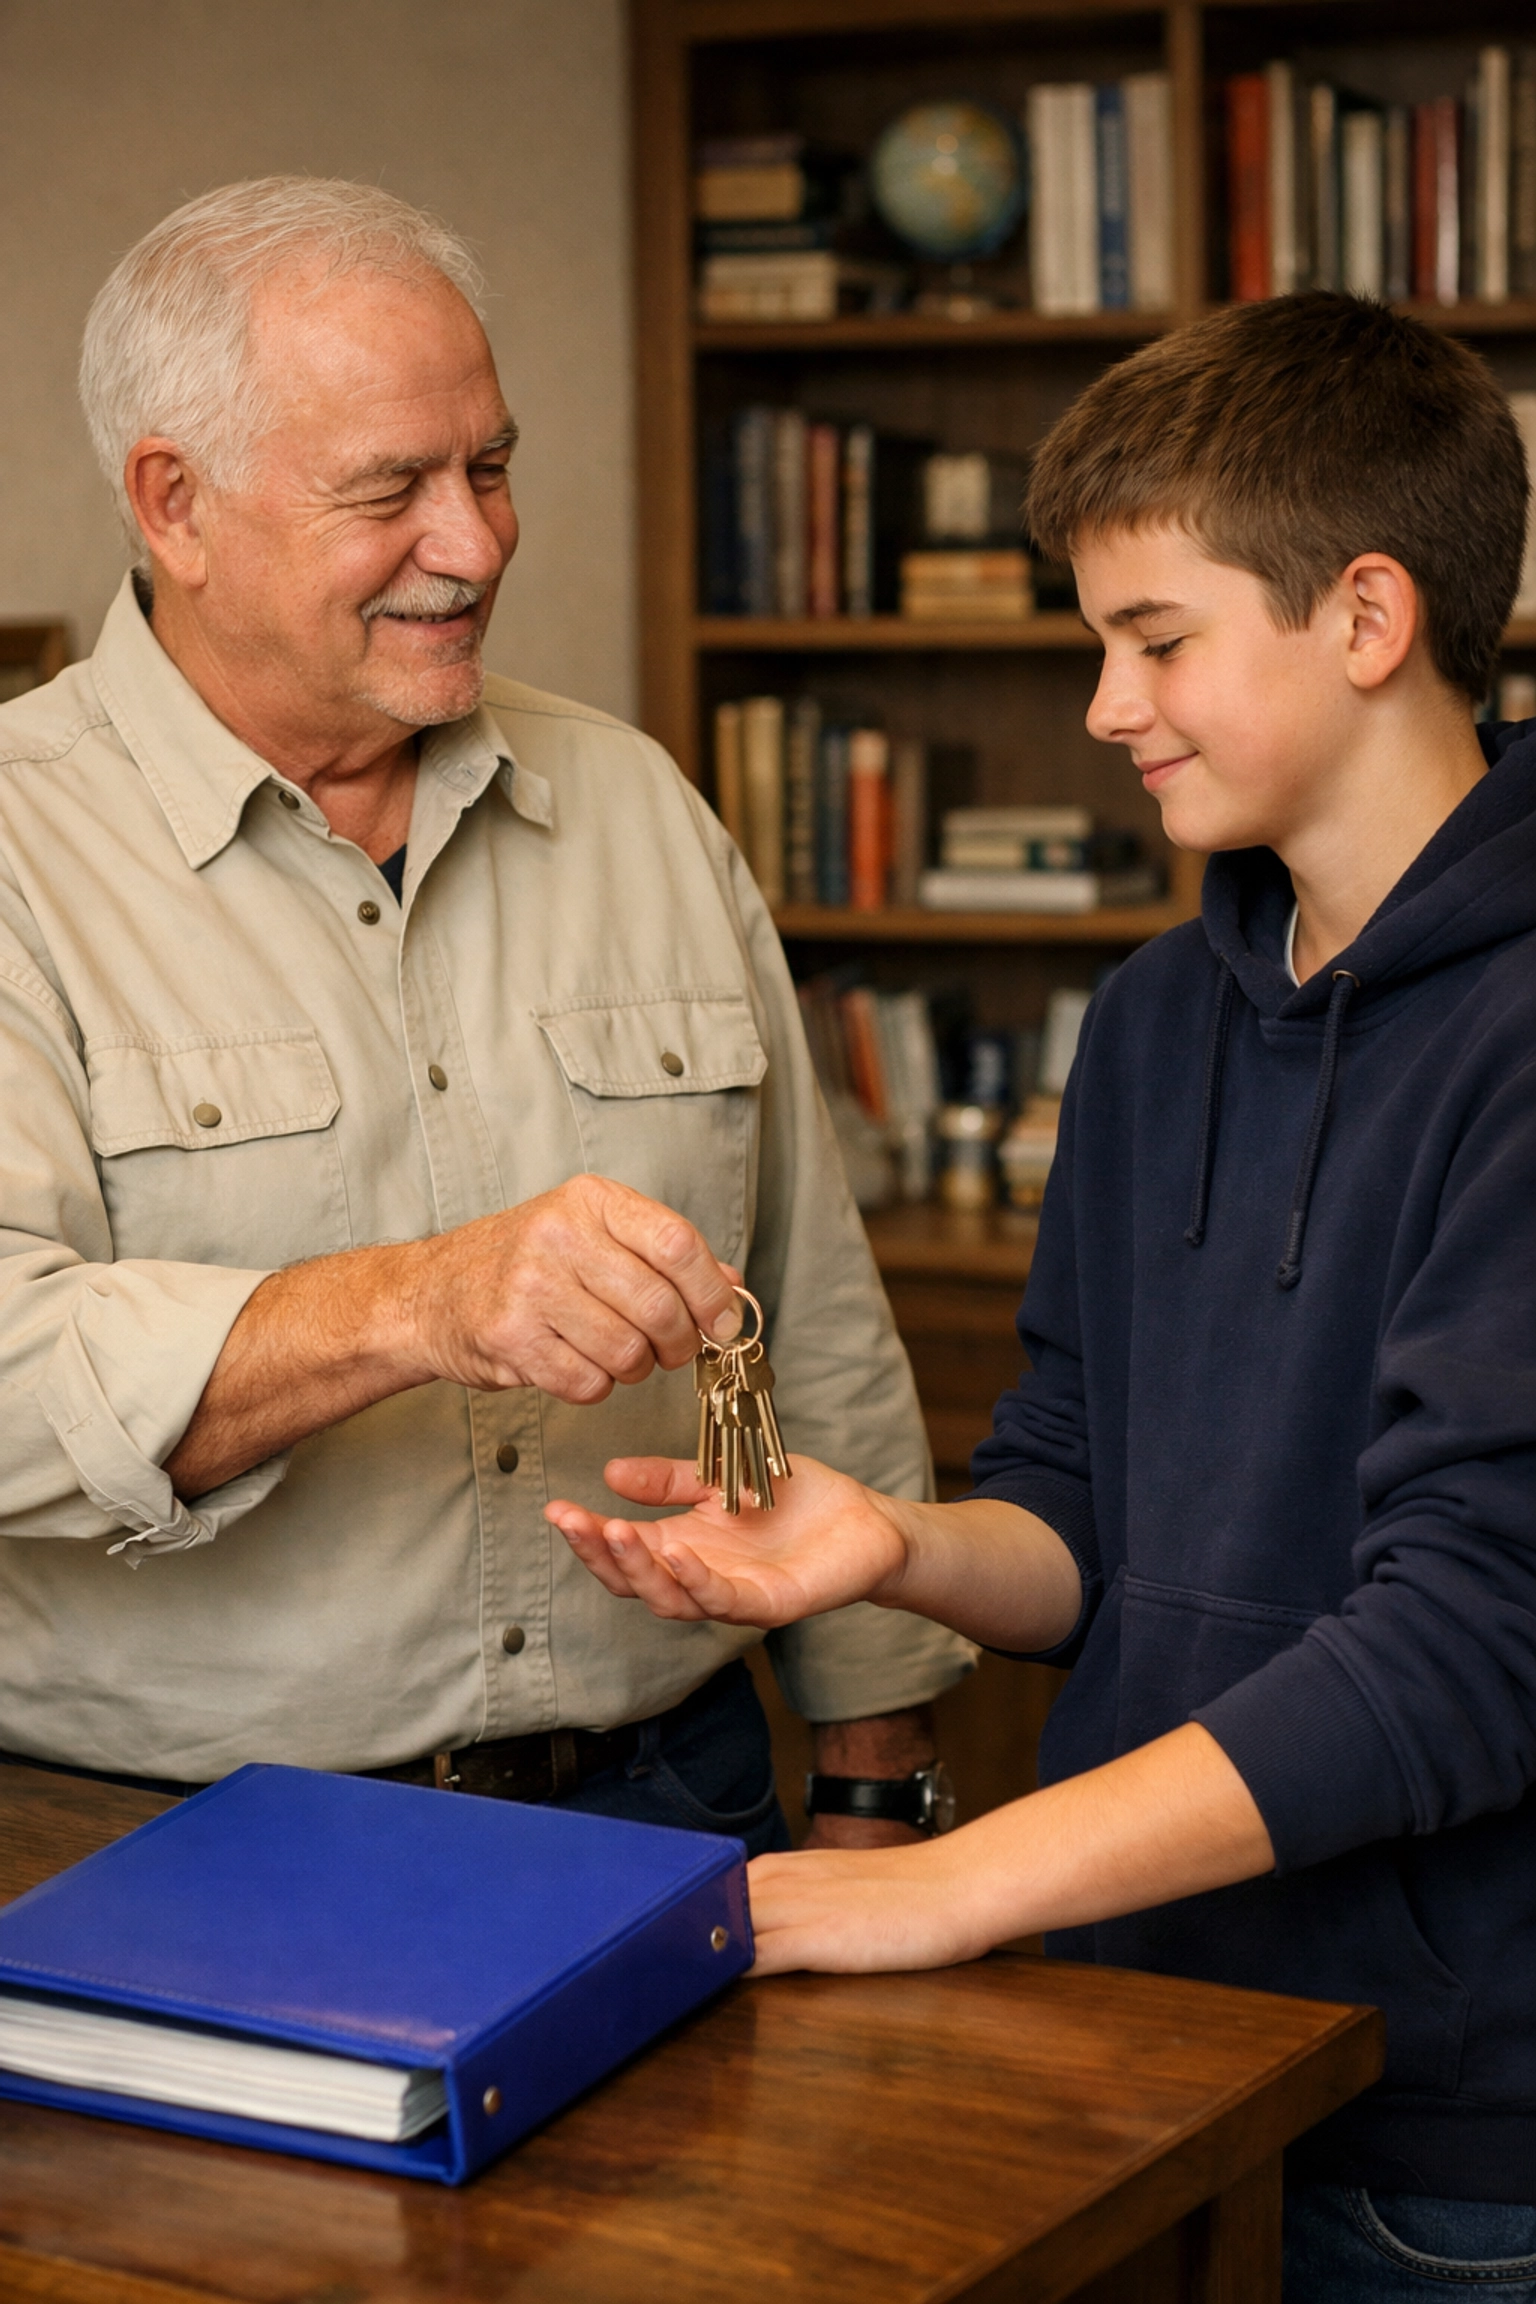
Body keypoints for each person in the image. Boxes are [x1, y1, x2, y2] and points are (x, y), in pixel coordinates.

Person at [550, 294, 1536, 2297]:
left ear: (1368, 615)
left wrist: (949, 1886)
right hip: (1132, 2038)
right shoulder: (1159, 1017)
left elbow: (1471, 1648)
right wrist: (897, 1548)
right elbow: (1082, 1511)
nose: (1104, 704)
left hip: (1442, 2137)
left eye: (1155, 640)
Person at [0, 177, 973, 1848]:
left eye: (492, 468)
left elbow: (811, 1316)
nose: (476, 545)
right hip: (168, 1842)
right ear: (175, 504)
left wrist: (878, 1774)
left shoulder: (636, 799)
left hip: (682, 1798)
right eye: (392, 490)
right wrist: (412, 1304)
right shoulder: (19, 850)